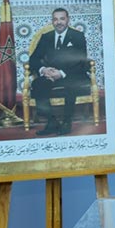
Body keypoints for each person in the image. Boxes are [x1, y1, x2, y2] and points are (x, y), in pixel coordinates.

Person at [29, 8, 89, 136]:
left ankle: (67, 122)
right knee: (37, 84)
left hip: (73, 74)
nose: (59, 22)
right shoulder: (46, 37)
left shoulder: (78, 36)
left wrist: (61, 73)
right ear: (52, 21)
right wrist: (44, 70)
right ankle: (51, 122)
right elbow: (33, 59)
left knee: (71, 85)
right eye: (55, 19)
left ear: (68, 20)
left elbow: (81, 61)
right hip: (51, 74)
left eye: (62, 18)